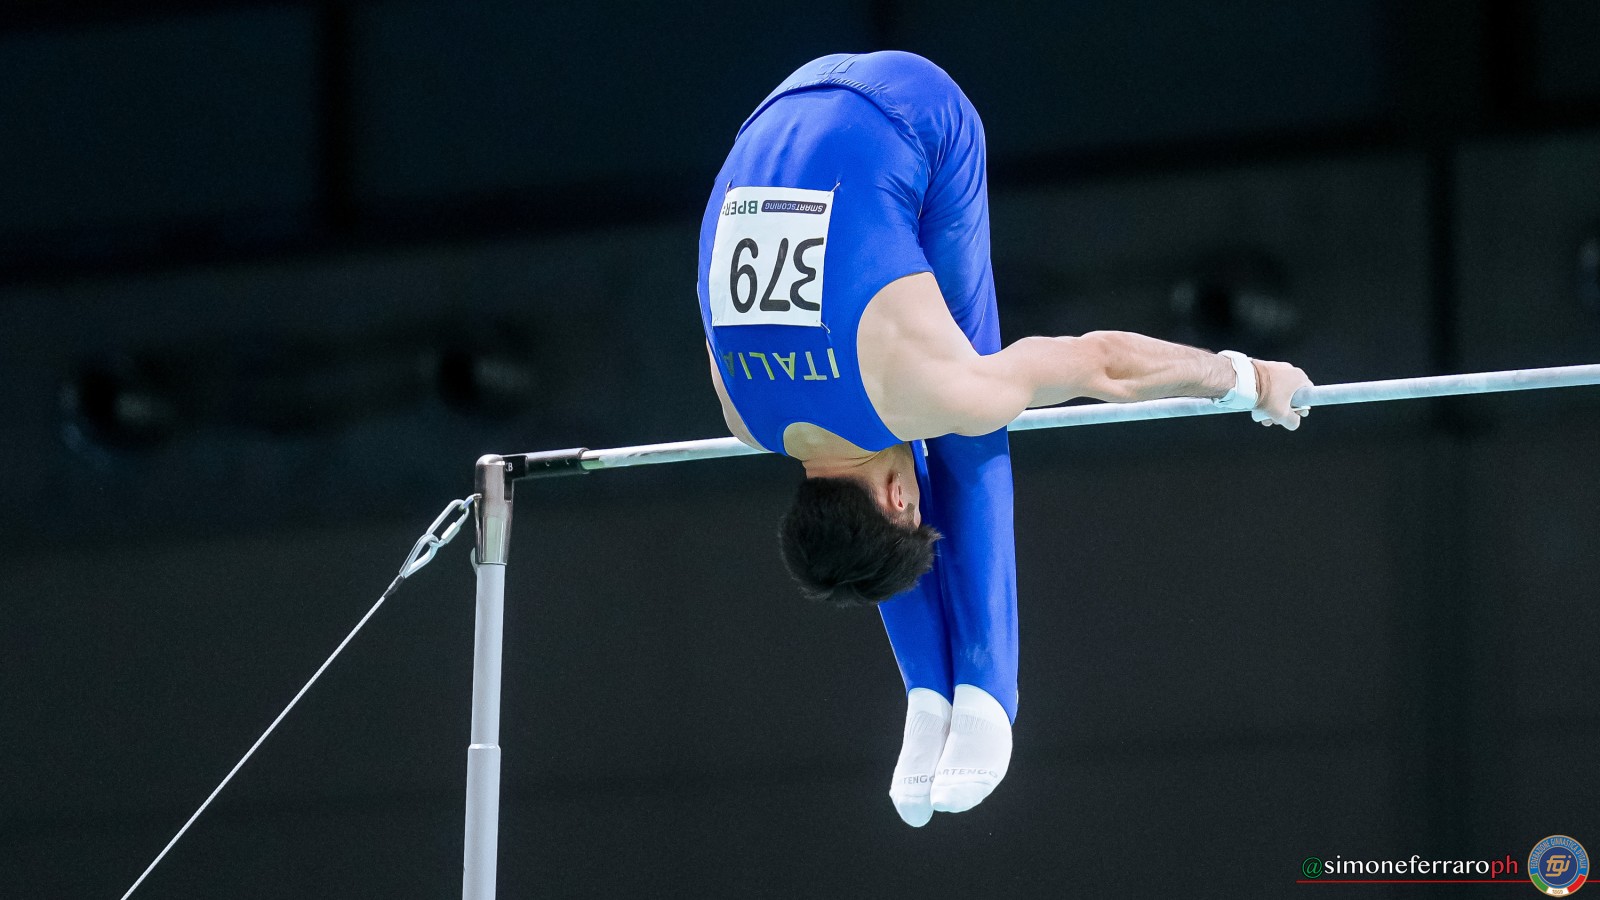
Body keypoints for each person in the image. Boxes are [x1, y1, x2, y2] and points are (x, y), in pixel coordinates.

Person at [694, 51, 1312, 828]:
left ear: (898, 498)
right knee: (948, 400)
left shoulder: (923, 385)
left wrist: (1248, 375)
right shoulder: (740, 414)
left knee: (971, 418)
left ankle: (977, 691)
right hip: (771, 117)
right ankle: (930, 698)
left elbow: (1102, 363)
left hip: (914, 108)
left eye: (912, 514)